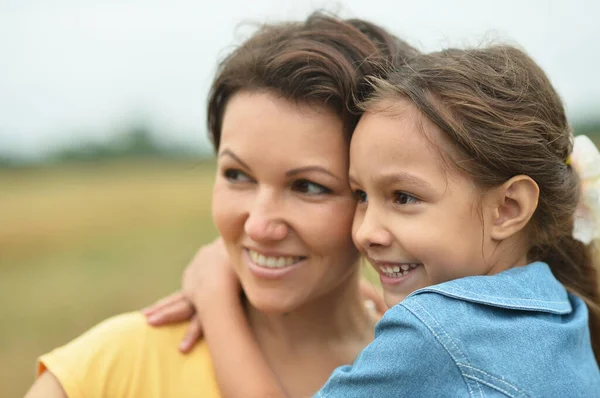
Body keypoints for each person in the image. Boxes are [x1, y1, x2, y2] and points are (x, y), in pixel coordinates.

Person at [152, 45, 600, 397]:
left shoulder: (432, 335)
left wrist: (214, 298)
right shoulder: (559, 308)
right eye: (362, 196)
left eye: (403, 197)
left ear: (509, 207)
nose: (365, 231)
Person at [25, 13, 419, 398]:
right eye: (237, 175)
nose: (259, 226)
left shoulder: (431, 365)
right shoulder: (105, 370)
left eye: (308, 186)